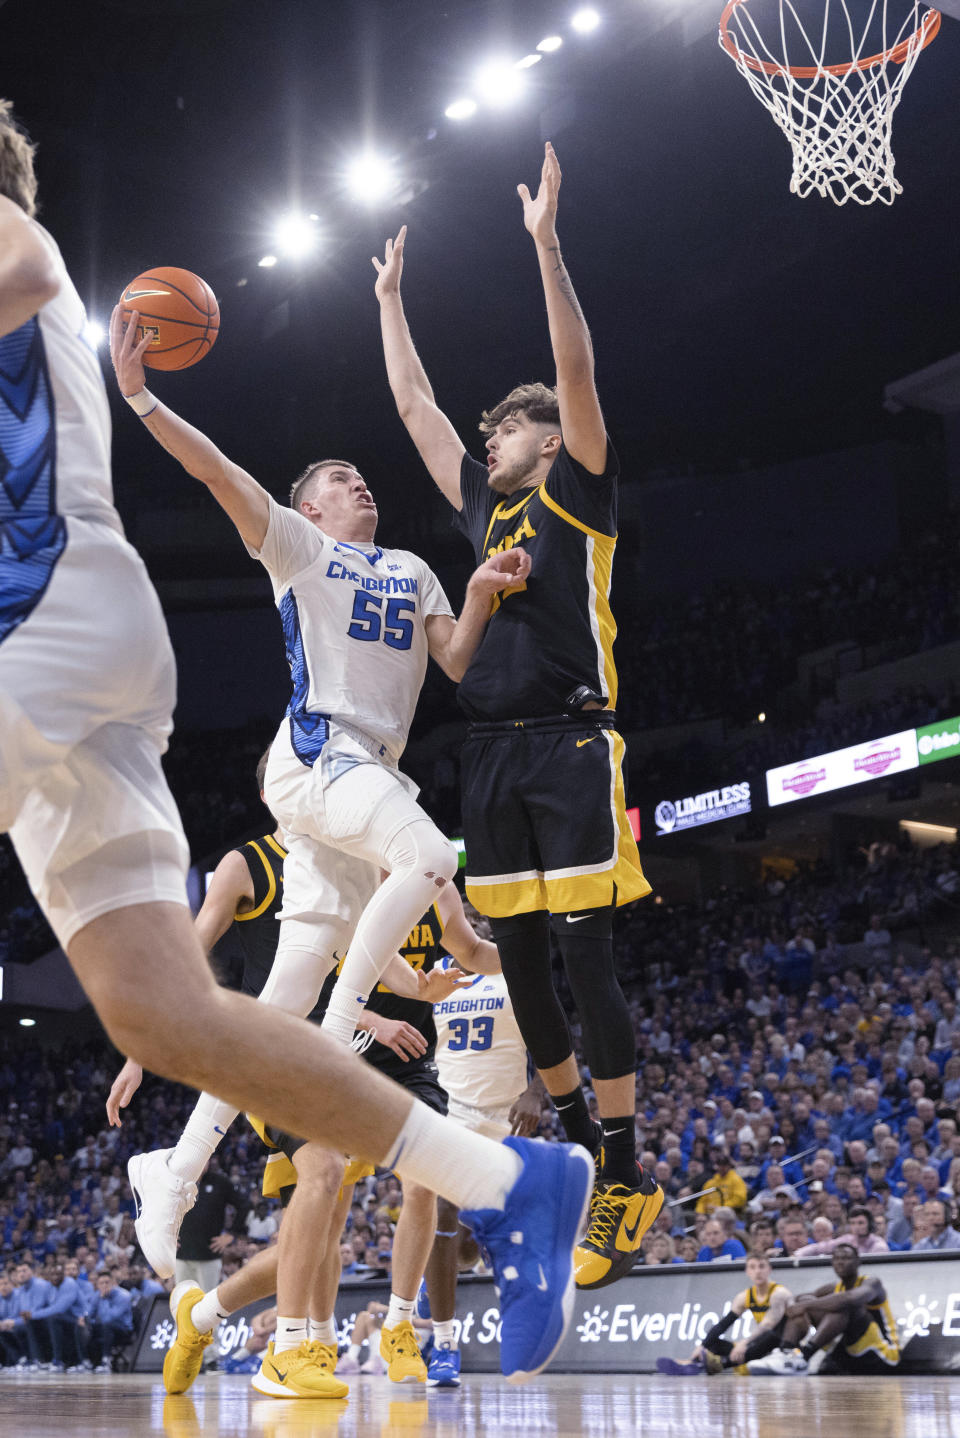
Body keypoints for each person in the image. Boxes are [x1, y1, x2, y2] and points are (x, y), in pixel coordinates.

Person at [0, 96, 594, 1388]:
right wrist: (154, 404)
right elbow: (227, 475)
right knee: (167, 1011)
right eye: (347, 479)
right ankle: (511, 1178)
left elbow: (30, 259)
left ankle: (308, 1075)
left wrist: (484, 594)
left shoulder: (15, 247)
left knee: (417, 855)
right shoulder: (310, 545)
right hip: (157, 690)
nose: (361, 488)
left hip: (42, 634)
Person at [373, 141, 660, 1291]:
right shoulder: (475, 517)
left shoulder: (575, 491)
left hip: (572, 742)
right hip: (487, 759)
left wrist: (547, 247)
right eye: (491, 430)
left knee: (589, 961)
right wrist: (392, 303)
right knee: (522, 970)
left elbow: (574, 365)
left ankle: (630, 1164)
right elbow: (412, 403)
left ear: (546, 442)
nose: (490, 437)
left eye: (509, 429)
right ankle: (585, 1150)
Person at [159, 880, 498, 1398]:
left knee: (426, 1172)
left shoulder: (432, 880)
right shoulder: (338, 876)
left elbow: (467, 953)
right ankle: (218, 1320)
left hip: (402, 1067)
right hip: (320, 1058)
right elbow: (303, 979)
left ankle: (398, 1326)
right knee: (317, 1233)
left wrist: (531, 953)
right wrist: (372, 1018)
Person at [415, 902, 546, 1387]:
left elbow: (554, 1039)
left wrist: (536, 1091)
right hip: (452, 1111)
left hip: (510, 1117)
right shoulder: (430, 980)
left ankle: (450, 1268)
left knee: (469, 1245)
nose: (473, 926)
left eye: (481, 922)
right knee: (441, 1216)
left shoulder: (513, 972)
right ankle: (445, 1346)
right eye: (464, 921)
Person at [748, 1244, 901, 1376]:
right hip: (848, 1358)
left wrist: (806, 1306)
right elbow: (798, 1301)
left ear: (858, 1262)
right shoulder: (833, 1287)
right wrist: (797, 1307)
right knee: (805, 1301)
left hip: (882, 1356)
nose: (840, 1263)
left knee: (841, 1306)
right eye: (837, 1259)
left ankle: (804, 1356)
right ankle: (787, 1354)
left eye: (846, 1258)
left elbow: (850, 1299)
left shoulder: (872, 1283)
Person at [657, 1253, 793, 1375]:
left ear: (769, 1270)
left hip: (781, 1347)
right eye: (752, 1267)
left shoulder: (779, 1293)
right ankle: (693, 1363)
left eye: (762, 1266)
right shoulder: (744, 1296)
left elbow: (768, 1325)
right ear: (747, 1271)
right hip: (757, 1347)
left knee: (770, 1336)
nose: (757, 1271)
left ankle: (720, 1364)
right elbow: (723, 1324)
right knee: (713, 1344)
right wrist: (702, 1346)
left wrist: (744, 1343)